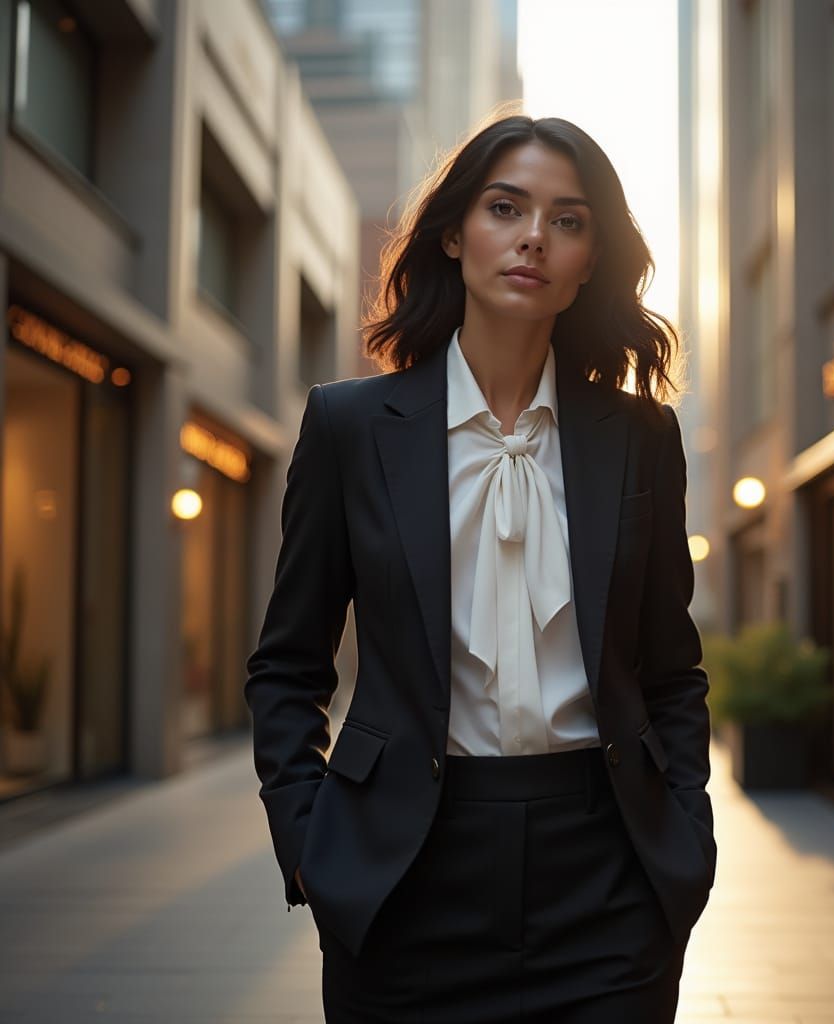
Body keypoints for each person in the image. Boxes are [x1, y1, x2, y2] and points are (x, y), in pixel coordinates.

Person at [244, 113, 716, 1024]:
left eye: (569, 220)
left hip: (608, 878)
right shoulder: (349, 428)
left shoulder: (642, 440)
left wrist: (684, 843)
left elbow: (671, 670)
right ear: (456, 232)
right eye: (507, 207)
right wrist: (309, 843)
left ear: (589, 262)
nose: (535, 235)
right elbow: (287, 664)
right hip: (403, 872)